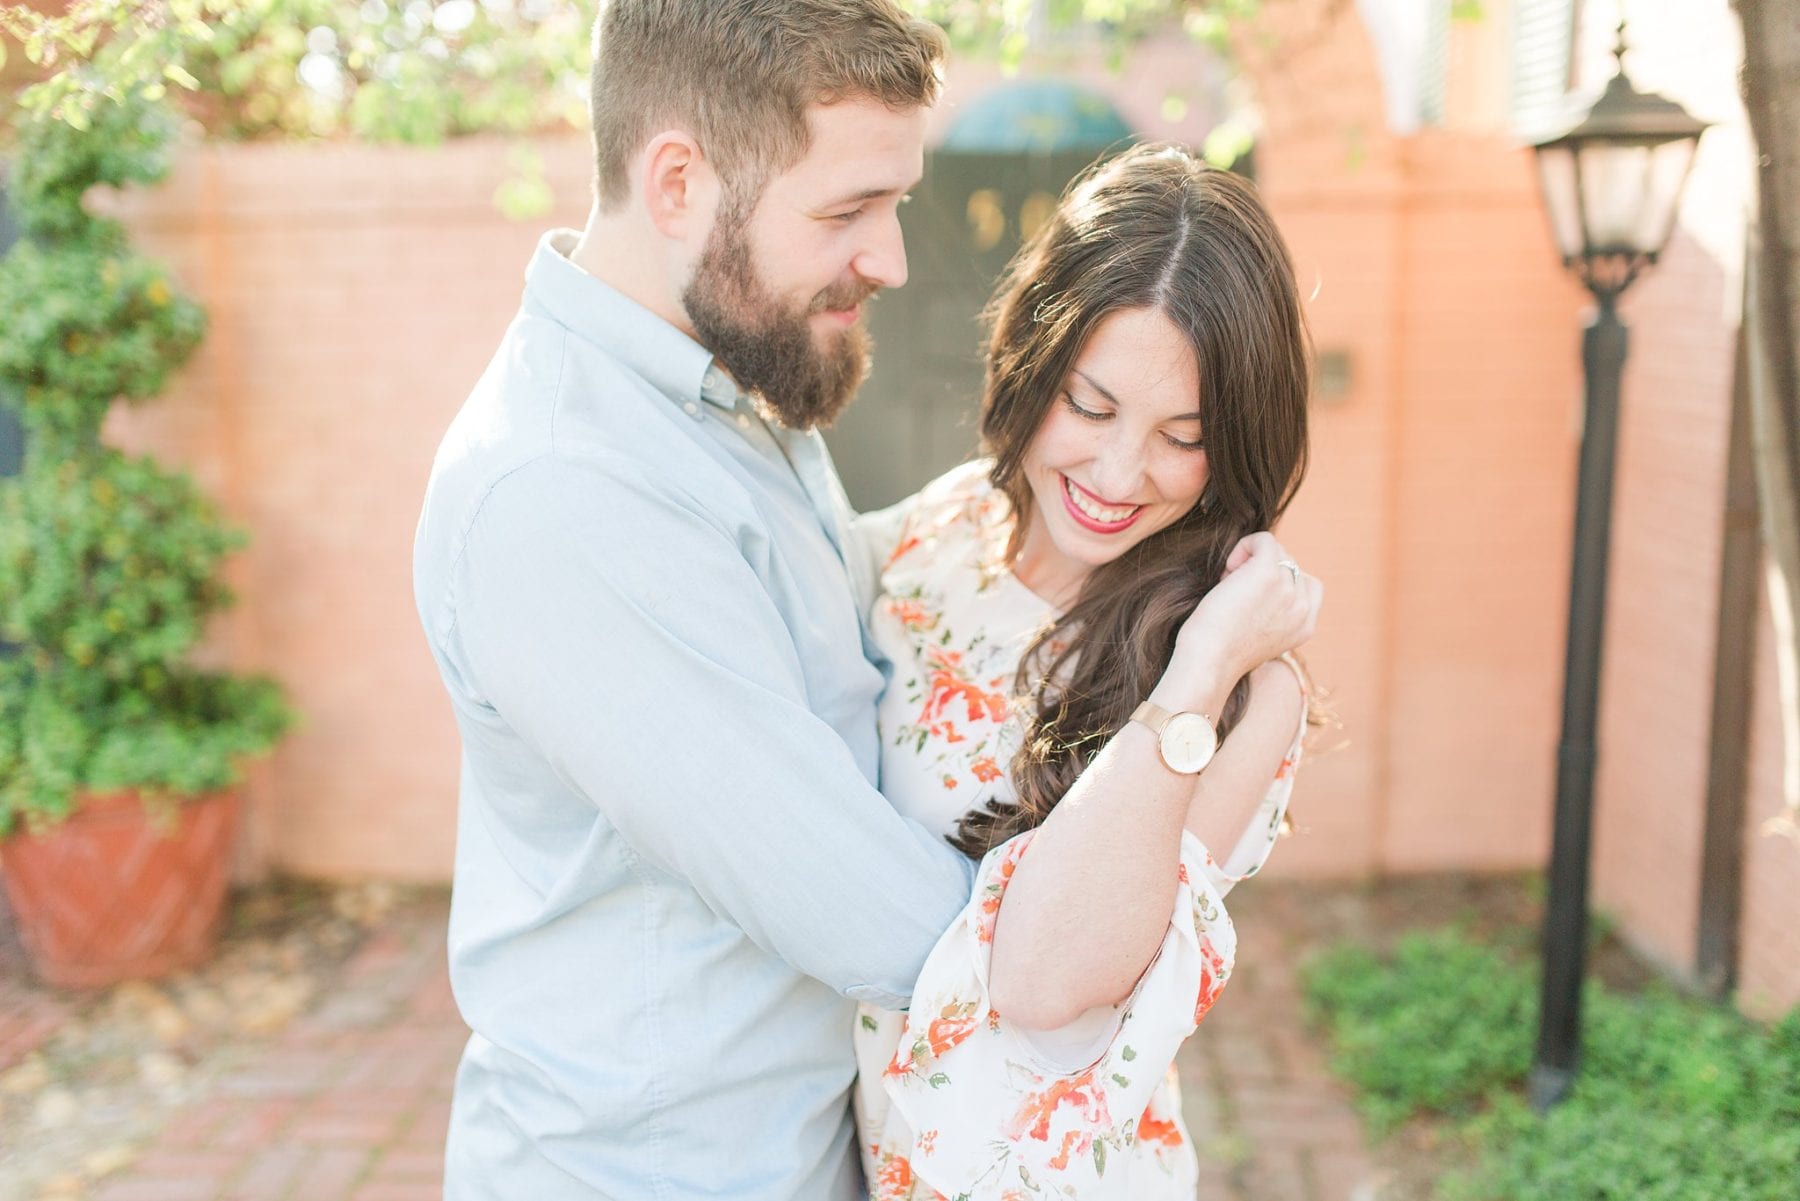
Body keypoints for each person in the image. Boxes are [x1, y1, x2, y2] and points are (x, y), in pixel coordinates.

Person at [411, 4, 978, 1198]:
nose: (892, 259)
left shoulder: (723, 390)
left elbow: (843, 616)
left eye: (897, 203)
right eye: (845, 211)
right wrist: (1158, 824)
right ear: (678, 182)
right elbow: (886, 920)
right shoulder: (565, 488)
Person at [848, 144, 1320, 1199]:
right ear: (1030, 354)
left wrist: (1194, 670)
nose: (1117, 476)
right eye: (1091, 407)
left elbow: (1044, 977)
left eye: (1181, 438)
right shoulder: (933, 537)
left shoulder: (1245, 692)